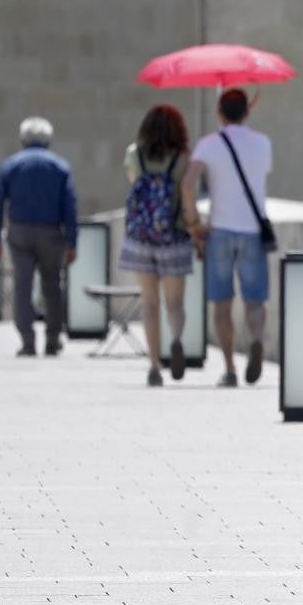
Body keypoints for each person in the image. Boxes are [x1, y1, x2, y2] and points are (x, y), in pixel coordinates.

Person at [181, 89, 272, 388]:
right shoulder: (263, 143)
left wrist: (193, 222)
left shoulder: (209, 144)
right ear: (247, 111)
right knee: (255, 301)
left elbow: (188, 184)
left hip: (219, 231)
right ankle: (256, 339)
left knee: (222, 303)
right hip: (252, 232)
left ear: (220, 111)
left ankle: (231, 368)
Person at [119, 104, 198, 387]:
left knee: (149, 302)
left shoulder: (134, 155)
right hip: (173, 238)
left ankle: (154, 365)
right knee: (174, 303)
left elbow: (134, 182)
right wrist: (195, 226)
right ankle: (175, 339)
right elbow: (187, 195)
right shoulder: (182, 160)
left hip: (140, 239)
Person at [0, 117, 78, 357]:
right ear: (48, 140)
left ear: (22, 139)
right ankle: (52, 339)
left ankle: (27, 341)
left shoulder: (11, 165)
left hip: (19, 232)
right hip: (51, 233)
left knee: (22, 286)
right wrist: (72, 241)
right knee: (52, 287)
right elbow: (70, 206)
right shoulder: (60, 167)